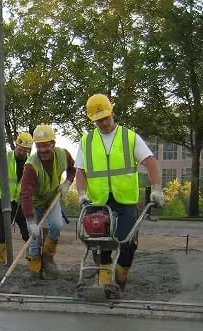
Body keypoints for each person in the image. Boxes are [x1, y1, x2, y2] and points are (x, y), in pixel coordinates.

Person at [75, 93, 164, 294]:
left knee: (127, 243)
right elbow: (80, 171)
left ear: (112, 112)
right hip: (98, 202)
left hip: (125, 202)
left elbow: (150, 162)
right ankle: (105, 283)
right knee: (100, 244)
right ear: (93, 120)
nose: (104, 123)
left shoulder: (129, 137)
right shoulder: (86, 141)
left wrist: (157, 188)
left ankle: (120, 281)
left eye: (106, 117)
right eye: (99, 120)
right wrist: (81, 193)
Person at [19, 124, 76, 279]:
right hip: (34, 202)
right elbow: (26, 194)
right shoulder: (31, 165)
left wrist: (67, 183)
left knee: (57, 224)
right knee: (34, 236)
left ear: (53, 144)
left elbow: (73, 168)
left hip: (52, 198)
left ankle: (48, 258)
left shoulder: (63, 155)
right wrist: (30, 221)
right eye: (39, 146)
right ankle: (34, 269)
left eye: (46, 145)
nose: (43, 150)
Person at [0, 132, 33, 265]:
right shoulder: (6, 156)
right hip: (2, 200)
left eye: (25, 150)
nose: (22, 152)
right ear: (16, 144)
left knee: (28, 232)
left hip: (20, 202)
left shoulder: (31, 162)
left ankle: (33, 260)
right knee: (0, 233)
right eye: (20, 148)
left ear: (29, 149)